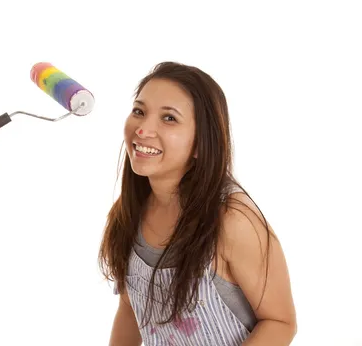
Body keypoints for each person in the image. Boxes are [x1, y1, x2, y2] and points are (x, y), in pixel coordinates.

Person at [98, 62, 296, 345]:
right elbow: (130, 310)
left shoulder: (233, 220)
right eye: (139, 111)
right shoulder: (129, 212)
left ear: (202, 143)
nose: (142, 130)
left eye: (169, 118)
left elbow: (280, 323)